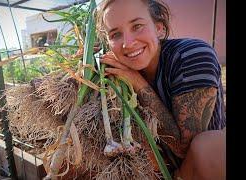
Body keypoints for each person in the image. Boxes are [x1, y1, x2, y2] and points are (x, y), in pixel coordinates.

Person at [95, 0, 226, 179]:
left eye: (137, 26)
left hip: (195, 169)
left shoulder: (192, 56)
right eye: (115, 34)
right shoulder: (118, 71)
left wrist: (137, 82)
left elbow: (184, 148)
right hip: (155, 166)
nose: (127, 43)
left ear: (159, 28)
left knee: (210, 146)